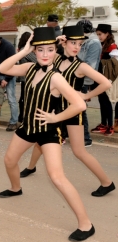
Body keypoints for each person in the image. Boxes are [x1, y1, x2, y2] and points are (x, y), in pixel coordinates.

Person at [0, 27, 94, 242]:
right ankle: (15, 188)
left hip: (48, 132)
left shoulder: (56, 77)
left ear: (55, 51)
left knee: (57, 178)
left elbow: (79, 105)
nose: (45, 54)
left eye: (50, 50)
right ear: (35, 51)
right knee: (9, 160)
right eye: (40, 50)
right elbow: (3, 67)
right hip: (27, 128)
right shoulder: (30, 67)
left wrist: (55, 118)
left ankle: (86, 224)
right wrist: (25, 50)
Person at [19, 25, 115, 197]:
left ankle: (107, 182)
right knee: (41, 140)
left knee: (79, 152)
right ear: (64, 43)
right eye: (72, 43)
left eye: (79, 44)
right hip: (53, 111)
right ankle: (30, 167)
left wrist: (86, 96)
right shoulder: (55, 58)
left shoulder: (81, 66)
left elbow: (106, 83)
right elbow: (45, 50)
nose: (77, 47)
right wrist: (56, 41)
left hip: (71, 113)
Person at [76, 19, 101, 145]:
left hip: (84, 80)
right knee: (75, 107)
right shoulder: (84, 40)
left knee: (80, 108)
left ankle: (86, 138)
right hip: (77, 77)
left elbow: (89, 65)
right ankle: (70, 134)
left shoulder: (93, 43)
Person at [90, 24, 117, 136]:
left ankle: (109, 125)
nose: (99, 37)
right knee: (102, 101)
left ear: (107, 34)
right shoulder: (102, 45)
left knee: (106, 102)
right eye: (98, 35)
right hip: (99, 77)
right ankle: (103, 123)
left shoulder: (112, 47)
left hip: (107, 78)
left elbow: (115, 66)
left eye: (100, 34)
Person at [17, 32, 37, 123]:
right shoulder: (26, 51)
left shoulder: (22, 49)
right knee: (26, 99)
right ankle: (23, 117)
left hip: (25, 78)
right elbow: (36, 60)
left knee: (23, 98)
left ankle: (22, 117)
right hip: (28, 78)